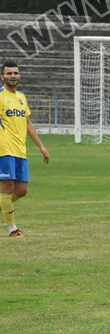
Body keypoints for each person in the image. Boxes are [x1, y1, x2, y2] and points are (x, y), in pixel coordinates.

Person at [1, 62, 50, 239]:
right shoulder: (0, 96)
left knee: (21, 190)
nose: (13, 76)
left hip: (20, 149)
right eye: (9, 73)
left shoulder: (21, 97)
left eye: (15, 73)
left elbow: (28, 123)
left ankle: (5, 207)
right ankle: (12, 229)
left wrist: (41, 146)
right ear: (2, 77)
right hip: (4, 148)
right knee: (7, 189)